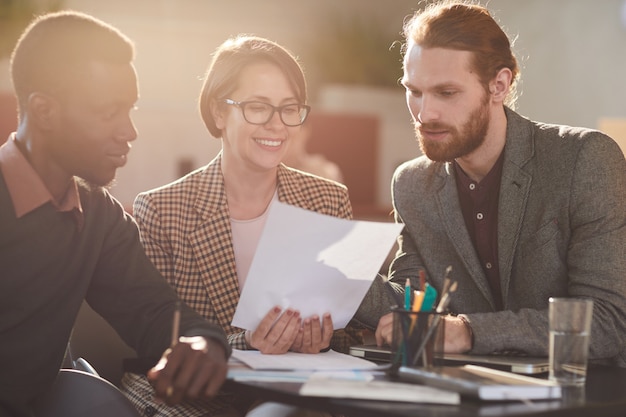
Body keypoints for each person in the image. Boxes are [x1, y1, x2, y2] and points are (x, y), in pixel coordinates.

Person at [120, 35, 378, 417]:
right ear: (219, 112)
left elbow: (350, 326)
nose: (277, 125)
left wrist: (322, 340)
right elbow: (158, 339)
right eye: (258, 107)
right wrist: (247, 341)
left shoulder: (328, 199)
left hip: (294, 394)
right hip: (197, 399)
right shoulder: (162, 208)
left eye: (289, 109)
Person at [0, 11, 230, 416]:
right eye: (109, 112)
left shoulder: (97, 216)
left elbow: (152, 309)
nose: (129, 131)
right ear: (44, 111)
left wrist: (202, 341)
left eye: (131, 110)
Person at [375, 1, 626, 365]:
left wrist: (469, 331)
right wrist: (322, 278)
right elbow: (410, 301)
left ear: (499, 85)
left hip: (580, 394)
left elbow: (607, 321)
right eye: (414, 91)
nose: (424, 113)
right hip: (462, 393)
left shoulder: (583, 160)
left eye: (446, 93)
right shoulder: (412, 183)